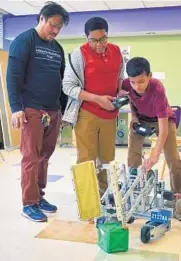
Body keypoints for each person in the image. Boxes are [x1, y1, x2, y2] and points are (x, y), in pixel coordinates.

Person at [6, 2, 69, 222]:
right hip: (32, 108)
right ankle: (29, 203)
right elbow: (13, 76)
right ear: (41, 18)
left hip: (53, 110)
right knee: (31, 157)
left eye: (59, 27)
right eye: (53, 25)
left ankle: (39, 197)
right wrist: (16, 108)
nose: (55, 30)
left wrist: (62, 111)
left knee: (45, 156)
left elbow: (61, 81)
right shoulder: (24, 41)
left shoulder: (57, 48)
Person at [62, 17, 126, 197]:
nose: (99, 44)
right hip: (87, 113)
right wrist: (97, 99)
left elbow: (119, 76)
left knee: (107, 159)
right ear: (86, 38)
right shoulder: (78, 54)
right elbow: (68, 87)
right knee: (86, 159)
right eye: (94, 40)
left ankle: (106, 195)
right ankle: (87, 199)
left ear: (107, 35)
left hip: (110, 114)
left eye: (103, 39)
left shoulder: (116, 51)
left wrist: (120, 90)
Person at [121, 57, 181, 197]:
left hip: (163, 120)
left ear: (150, 76)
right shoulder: (126, 84)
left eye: (141, 81)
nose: (137, 86)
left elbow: (163, 131)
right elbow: (131, 98)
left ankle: (179, 194)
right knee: (133, 155)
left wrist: (155, 154)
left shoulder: (157, 88)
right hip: (141, 119)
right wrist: (134, 117)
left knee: (173, 158)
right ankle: (134, 189)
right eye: (133, 82)